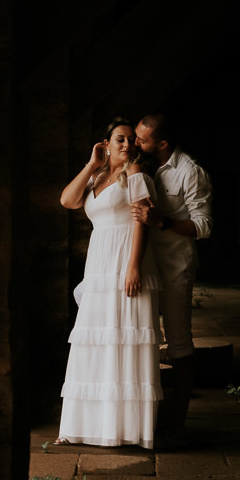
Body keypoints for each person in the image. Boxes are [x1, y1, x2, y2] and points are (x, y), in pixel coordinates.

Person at [54, 117, 163, 448]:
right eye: (120, 139)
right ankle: (86, 427)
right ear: (106, 143)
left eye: (132, 139)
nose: (128, 145)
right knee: (96, 341)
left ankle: (127, 430)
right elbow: (68, 201)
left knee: (126, 339)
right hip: (99, 266)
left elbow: (141, 223)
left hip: (126, 260)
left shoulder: (136, 176)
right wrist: (92, 164)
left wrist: (134, 267)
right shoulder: (99, 175)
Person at [132, 113, 213, 440]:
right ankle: (145, 416)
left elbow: (204, 226)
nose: (136, 143)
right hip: (143, 266)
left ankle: (178, 421)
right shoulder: (142, 166)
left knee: (178, 343)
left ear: (162, 144)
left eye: (142, 139)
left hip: (175, 268)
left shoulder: (190, 172)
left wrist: (162, 221)